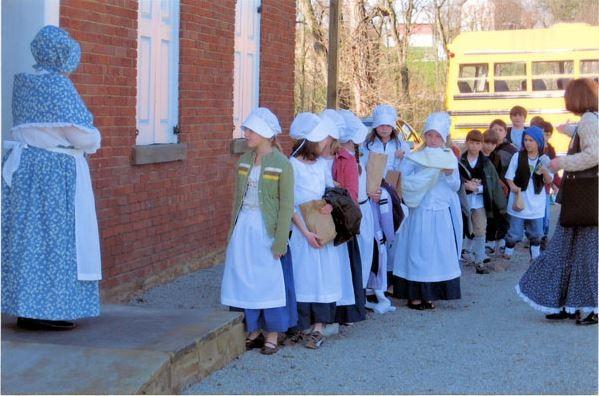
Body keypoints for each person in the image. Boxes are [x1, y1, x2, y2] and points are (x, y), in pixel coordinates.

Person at [2, 25, 102, 330]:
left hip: (23, 171)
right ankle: (49, 309)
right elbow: (81, 136)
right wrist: (95, 137)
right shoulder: (59, 87)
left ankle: (25, 307)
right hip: (54, 175)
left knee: (27, 238)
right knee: (56, 238)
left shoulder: (23, 83)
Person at [516, 77, 598, 325]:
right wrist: (569, 130)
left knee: (581, 253)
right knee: (573, 251)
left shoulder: (589, 120)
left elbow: (594, 154)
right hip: (585, 199)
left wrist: (560, 162)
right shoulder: (590, 119)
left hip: (584, 199)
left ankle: (588, 306)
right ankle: (572, 303)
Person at [220, 107, 295, 355]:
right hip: (245, 227)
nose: (246, 134)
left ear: (264, 133)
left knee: (268, 281)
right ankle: (252, 329)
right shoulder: (244, 161)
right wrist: (232, 232)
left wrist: (280, 240)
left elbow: (286, 206)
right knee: (244, 278)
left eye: (250, 130)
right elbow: (235, 201)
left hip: (267, 230)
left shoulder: (282, 164)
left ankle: (272, 332)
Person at [392, 112, 462, 310]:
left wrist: (448, 175)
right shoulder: (416, 157)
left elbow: (455, 185)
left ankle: (430, 293)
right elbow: (404, 179)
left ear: (443, 138)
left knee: (436, 254)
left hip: (439, 212)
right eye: (429, 135)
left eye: (437, 136)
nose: (432, 140)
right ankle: (414, 295)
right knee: (418, 252)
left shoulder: (449, 158)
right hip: (420, 210)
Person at [288, 113, 342, 349]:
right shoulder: (291, 165)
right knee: (303, 274)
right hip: (301, 230)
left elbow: (329, 189)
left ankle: (319, 325)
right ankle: (301, 324)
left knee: (321, 276)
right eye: (320, 140)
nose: (325, 144)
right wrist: (304, 232)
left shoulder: (321, 164)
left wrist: (331, 203)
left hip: (320, 226)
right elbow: (288, 202)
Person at [332, 109, 368, 324]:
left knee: (345, 266)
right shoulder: (336, 158)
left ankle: (345, 308)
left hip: (342, 217)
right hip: (330, 217)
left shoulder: (347, 159)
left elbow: (351, 193)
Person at [458, 130, 506, 274]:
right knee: (460, 229)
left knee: (480, 230)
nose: (474, 146)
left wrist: (479, 189)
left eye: (477, 143)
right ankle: (458, 257)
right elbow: (453, 180)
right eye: (471, 142)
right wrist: (465, 185)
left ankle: (479, 260)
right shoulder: (460, 161)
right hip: (463, 201)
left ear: (481, 145)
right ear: (467, 143)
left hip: (479, 202)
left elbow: (494, 185)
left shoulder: (487, 164)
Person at [503, 126, 553, 261]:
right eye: (525, 139)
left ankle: (535, 258)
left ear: (539, 142)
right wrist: (513, 187)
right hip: (519, 200)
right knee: (514, 233)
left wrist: (545, 171)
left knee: (537, 233)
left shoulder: (544, 159)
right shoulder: (517, 156)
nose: (528, 143)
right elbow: (509, 177)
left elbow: (549, 180)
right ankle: (507, 255)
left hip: (536, 202)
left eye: (531, 140)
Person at [488, 118, 518, 255]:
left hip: (505, 188)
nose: (497, 132)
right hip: (489, 188)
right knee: (490, 214)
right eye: (494, 129)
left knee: (503, 214)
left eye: (500, 130)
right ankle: (489, 241)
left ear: (505, 133)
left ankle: (502, 241)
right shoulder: (486, 148)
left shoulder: (511, 150)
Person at [539, 121, 558, 250]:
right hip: (535, 187)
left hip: (546, 187)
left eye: (547, 134)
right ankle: (538, 238)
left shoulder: (550, 149)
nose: (544, 136)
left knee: (546, 216)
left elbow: (555, 167)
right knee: (538, 215)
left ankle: (544, 237)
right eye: (542, 134)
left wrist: (556, 184)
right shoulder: (533, 148)